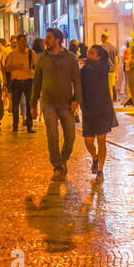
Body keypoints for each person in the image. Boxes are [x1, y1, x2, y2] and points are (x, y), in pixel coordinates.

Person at [32, 27, 80, 182]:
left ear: (58, 40)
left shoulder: (70, 58)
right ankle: (57, 167)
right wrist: (33, 105)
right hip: (48, 103)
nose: (46, 40)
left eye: (49, 37)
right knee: (52, 136)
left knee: (70, 137)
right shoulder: (42, 59)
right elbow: (36, 82)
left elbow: (77, 81)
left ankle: (63, 159)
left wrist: (76, 100)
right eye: (46, 37)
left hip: (66, 103)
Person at [79, 45, 120, 179]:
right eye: (89, 53)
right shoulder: (84, 70)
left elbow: (98, 71)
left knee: (102, 140)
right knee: (88, 140)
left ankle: (100, 170)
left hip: (103, 107)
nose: (89, 55)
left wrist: (86, 61)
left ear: (99, 57)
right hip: (89, 108)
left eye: (92, 53)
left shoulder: (103, 68)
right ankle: (95, 157)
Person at [4, 33, 36, 133]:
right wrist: (16, 66)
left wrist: (32, 71)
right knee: (15, 105)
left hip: (28, 81)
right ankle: (15, 126)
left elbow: (36, 66)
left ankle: (29, 126)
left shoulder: (31, 53)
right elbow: (7, 68)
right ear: (17, 42)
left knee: (29, 104)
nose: (24, 43)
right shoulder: (12, 54)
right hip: (16, 82)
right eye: (22, 41)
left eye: (25, 41)